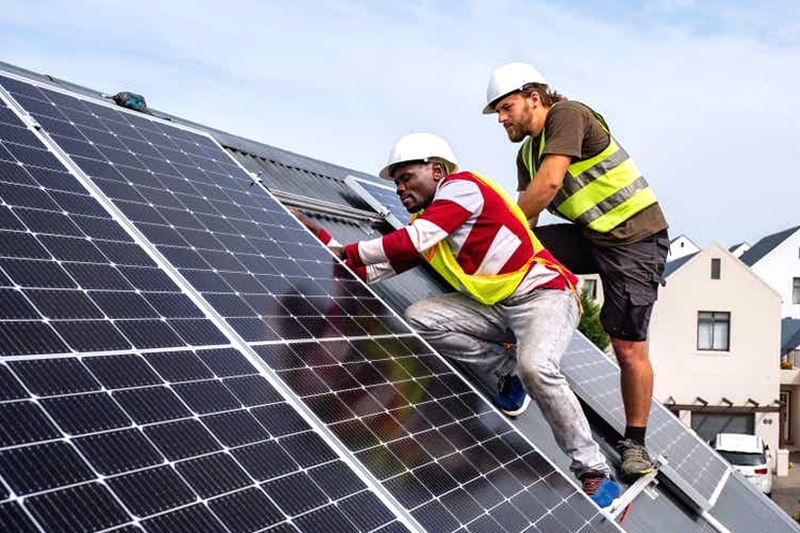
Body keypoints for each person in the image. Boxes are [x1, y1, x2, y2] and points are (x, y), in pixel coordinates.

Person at [294, 132, 620, 505]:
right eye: (396, 183)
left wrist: (349, 250)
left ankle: (593, 469)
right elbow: (371, 269)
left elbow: (407, 241)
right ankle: (507, 370)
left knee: (537, 365)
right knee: (420, 318)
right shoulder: (429, 222)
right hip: (496, 307)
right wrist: (322, 238)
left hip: (544, 295)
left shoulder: (462, 189)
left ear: (437, 170)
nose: (400, 189)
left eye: (406, 177)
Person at [482, 62, 670, 481]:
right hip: (591, 236)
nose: (501, 119)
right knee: (522, 258)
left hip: (636, 240)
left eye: (506, 108)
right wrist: (500, 253)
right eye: (496, 112)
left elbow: (549, 185)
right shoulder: (525, 155)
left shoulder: (568, 114)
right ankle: (522, 363)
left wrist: (503, 235)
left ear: (534, 98)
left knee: (627, 348)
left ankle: (635, 444)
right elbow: (527, 219)